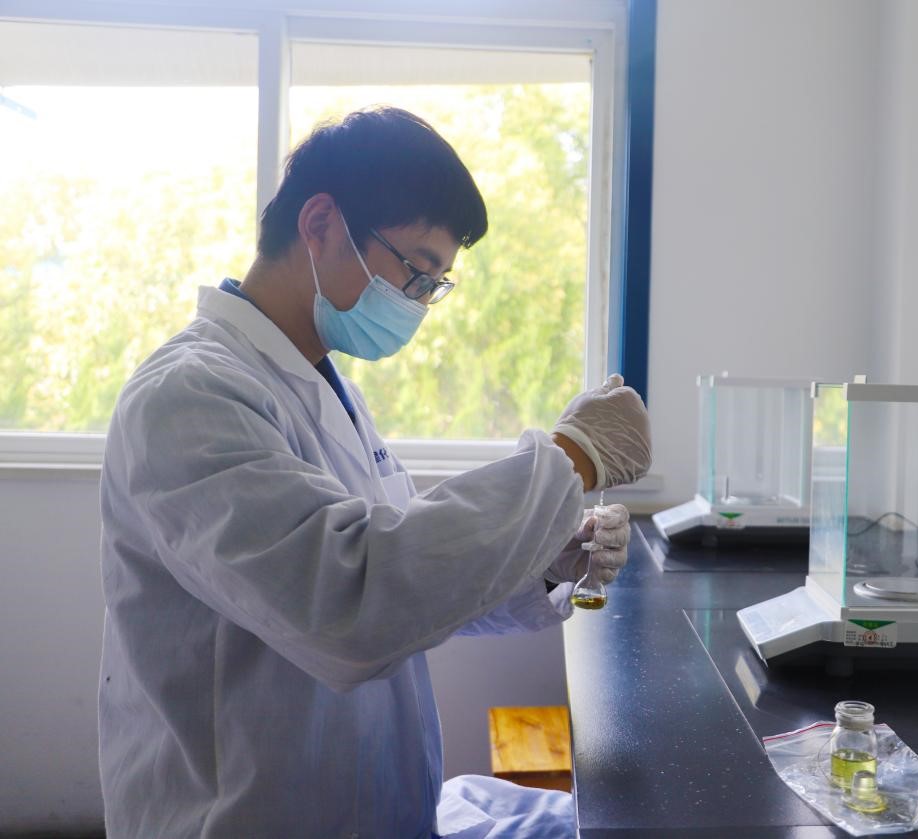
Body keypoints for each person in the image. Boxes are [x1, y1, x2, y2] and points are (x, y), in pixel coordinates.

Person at [97, 106, 652, 838]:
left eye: (434, 285)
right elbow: (349, 606)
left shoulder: (328, 390)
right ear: (321, 222)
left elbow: (412, 584)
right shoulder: (189, 396)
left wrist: (547, 557)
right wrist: (569, 460)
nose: (417, 304)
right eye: (416, 270)